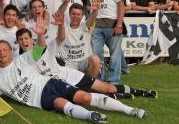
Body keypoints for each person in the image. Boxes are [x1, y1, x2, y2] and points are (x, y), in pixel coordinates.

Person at [0, 40, 146, 124]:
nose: (2, 53)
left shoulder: (21, 59)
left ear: (10, 51)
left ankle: (129, 110)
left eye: (4, 50)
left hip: (50, 83)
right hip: (39, 100)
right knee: (59, 104)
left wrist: (40, 34)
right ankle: (91, 116)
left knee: (83, 97)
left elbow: (40, 49)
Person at [17, 14, 157, 100]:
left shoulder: (43, 49)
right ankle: (114, 96)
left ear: (31, 39)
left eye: (26, 38)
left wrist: (48, 31)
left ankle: (140, 92)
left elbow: (57, 40)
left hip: (70, 75)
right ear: (18, 43)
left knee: (110, 88)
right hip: (58, 86)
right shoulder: (21, 61)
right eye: (21, 40)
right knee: (87, 96)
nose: (24, 42)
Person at [83, 0, 125, 84]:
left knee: (115, 55)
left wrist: (119, 24)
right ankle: (99, 81)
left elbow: (121, 5)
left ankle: (113, 82)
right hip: (94, 24)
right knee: (96, 55)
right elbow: (85, 1)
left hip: (112, 23)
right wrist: (90, 9)